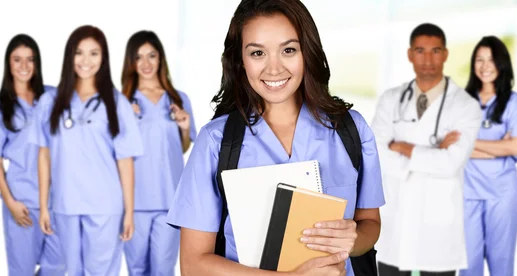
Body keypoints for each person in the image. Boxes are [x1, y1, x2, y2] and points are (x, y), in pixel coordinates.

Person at [165, 0, 385, 275]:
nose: (274, 69)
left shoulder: (351, 129)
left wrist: (351, 241)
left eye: (289, 50)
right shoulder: (215, 142)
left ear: (308, 52)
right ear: (240, 60)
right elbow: (194, 264)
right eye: (257, 53)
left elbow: (370, 223)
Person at [29, 25, 143, 276]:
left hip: (105, 205)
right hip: (65, 204)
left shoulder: (116, 103)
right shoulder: (50, 102)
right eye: (79, 53)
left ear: (103, 58)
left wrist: (129, 212)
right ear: (69, 56)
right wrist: (44, 206)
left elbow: (125, 161)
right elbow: (44, 156)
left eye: (94, 53)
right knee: (71, 271)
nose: (85, 60)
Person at [371, 23, 482, 276]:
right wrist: (431, 153)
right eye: (420, 51)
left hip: (438, 221)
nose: (428, 59)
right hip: (395, 221)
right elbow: (377, 153)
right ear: (410, 54)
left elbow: (450, 164)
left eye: (435, 51)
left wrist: (402, 147)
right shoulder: (391, 99)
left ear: (445, 54)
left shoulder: (465, 106)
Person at [0, 34, 65, 276]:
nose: (24, 66)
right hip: (22, 203)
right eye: (17, 60)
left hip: (57, 201)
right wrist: (11, 203)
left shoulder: (52, 96)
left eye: (30, 59)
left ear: (37, 64)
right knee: (22, 270)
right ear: (8, 64)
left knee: (59, 265)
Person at [121, 30, 197, 276]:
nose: (145, 63)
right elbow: (114, 153)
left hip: (169, 199)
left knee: (164, 269)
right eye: (139, 57)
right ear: (131, 62)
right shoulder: (122, 103)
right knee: (137, 269)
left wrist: (184, 129)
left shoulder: (178, 99)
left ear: (160, 59)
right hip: (134, 201)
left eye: (151, 56)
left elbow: (181, 148)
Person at [461, 36, 517, 276]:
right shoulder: (462, 102)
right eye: (480, 59)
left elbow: (515, 148)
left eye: (491, 59)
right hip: (468, 193)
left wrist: (470, 144)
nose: (485, 65)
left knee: (501, 263)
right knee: (468, 265)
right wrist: (498, 145)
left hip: (502, 193)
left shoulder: (513, 101)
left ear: (502, 64)